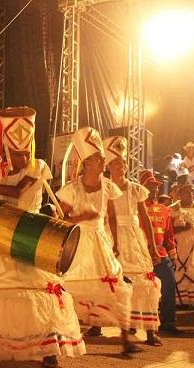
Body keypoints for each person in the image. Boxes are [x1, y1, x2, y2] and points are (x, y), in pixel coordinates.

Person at [0, 107, 84, 368]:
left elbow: (17, 192)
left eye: (25, 151)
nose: (22, 156)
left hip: (31, 236)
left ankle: (47, 347)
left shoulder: (37, 166)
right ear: (6, 150)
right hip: (2, 238)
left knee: (36, 293)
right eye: (17, 152)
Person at [56, 127, 140, 355]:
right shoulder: (72, 189)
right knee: (69, 287)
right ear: (86, 163)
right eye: (98, 159)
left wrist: (115, 243)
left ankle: (125, 339)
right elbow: (60, 220)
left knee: (115, 285)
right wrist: (81, 217)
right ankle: (59, 338)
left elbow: (111, 217)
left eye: (103, 158)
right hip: (78, 243)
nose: (103, 162)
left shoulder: (108, 187)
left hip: (101, 243)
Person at [104, 137, 162, 346]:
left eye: (123, 163)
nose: (121, 166)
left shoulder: (136, 189)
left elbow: (145, 218)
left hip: (134, 238)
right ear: (108, 166)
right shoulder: (105, 188)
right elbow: (105, 215)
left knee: (144, 282)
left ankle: (150, 331)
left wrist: (153, 245)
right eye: (116, 163)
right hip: (111, 235)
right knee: (110, 279)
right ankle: (99, 323)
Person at [140, 170, 182, 335]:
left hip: (162, 255)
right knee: (140, 291)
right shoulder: (137, 208)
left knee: (169, 286)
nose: (155, 189)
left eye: (156, 186)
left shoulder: (165, 210)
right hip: (142, 256)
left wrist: (173, 256)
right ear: (143, 188)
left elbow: (169, 235)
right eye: (151, 186)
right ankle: (133, 323)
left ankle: (168, 323)